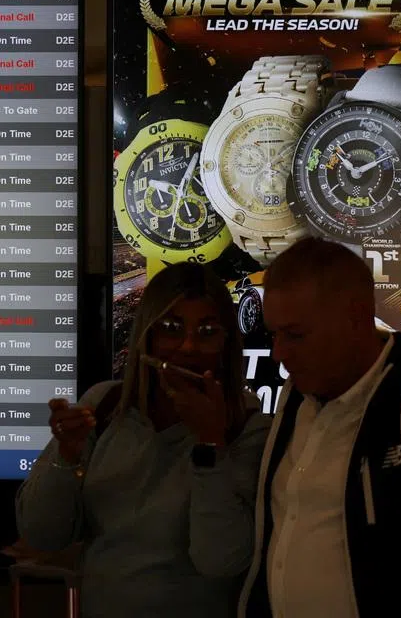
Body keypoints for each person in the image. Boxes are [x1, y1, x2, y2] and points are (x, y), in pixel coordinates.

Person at [239, 237, 401, 618]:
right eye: (273, 334)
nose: (279, 353)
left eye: (295, 335)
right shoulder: (296, 397)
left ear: (356, 317)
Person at [17, 262, 270, 618]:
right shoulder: (104, 407)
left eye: (207, 331)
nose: (188, 347)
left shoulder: (248, 428)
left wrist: (210, 442)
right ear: (146, 336)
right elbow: (43, 534)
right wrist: (67, 454)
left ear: (227, 343)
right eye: (171, 328)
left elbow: (220, 560)